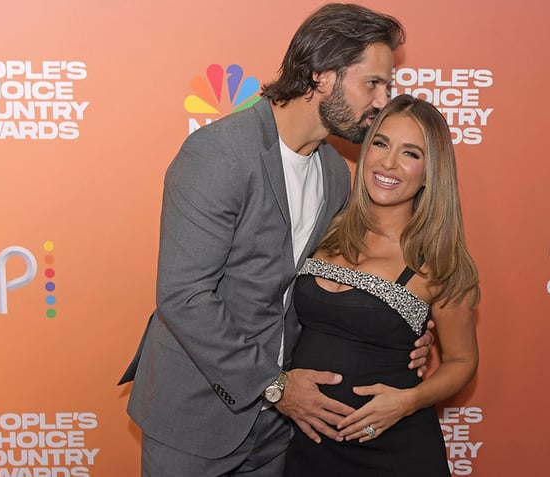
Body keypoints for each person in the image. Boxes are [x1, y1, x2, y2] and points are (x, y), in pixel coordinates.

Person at [119, 4, 435, 476]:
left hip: (281, 429)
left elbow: (332, 283)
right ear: (321, 75)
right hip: (197, 413)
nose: (382, 100)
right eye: (373, 83)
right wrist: (275, 385)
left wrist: (404, 334)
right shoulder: (220, 154)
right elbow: (184, 296)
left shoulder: (333, 173)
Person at [283, 94, 480, 476]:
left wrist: (408, 401)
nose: (389, 163)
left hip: (393, 453)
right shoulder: (323, 225)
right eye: (381, 143)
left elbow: (462, 360)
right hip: (307, 449)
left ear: (430, 172)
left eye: (411, 153)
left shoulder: (438, 264)